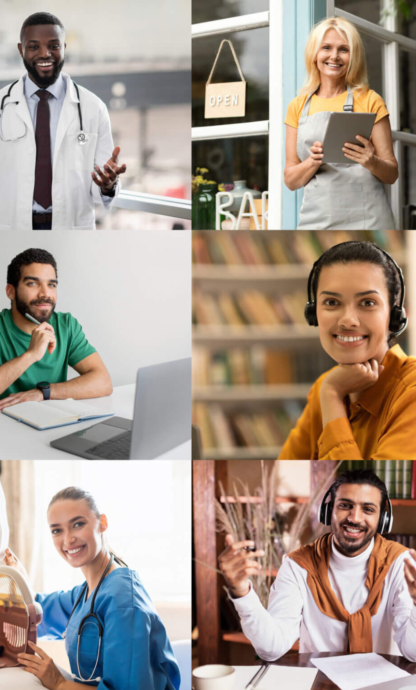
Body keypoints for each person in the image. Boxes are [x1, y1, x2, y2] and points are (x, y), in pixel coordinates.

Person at [0, 12, 125, 230]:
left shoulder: (94, 108)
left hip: (72, 229)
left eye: (54, 46)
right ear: (21, 49)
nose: (45, 54)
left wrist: (108, 185)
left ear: (64, 47)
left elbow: (99, 184)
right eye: (34, 46)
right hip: (13, 228)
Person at [218, 469, 416, 660]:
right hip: (319, 682)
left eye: (368, 509)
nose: (355, 518)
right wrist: (241, 592)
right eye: (345, 505)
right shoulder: (298, 565)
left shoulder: (401, 563)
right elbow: (272, 649)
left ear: (383, 519)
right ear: (328, 511)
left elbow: (413, 652)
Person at [1, 487, 179, 689]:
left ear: (102, 523)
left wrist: (59, 682)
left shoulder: (122, 601)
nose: (68, 540)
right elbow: (39, 612)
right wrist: (17, 576)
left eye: (78, 524)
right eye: (57, 530)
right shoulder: (86, 593)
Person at [279, 241, 416, 460]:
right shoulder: (322, 388)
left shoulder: (410, 392)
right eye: (332, 302)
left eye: (368, 303)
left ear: (394, 315)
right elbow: (282, 480)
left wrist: (332, 396)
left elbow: (368, 491)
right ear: (314, 314)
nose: (348, 320)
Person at [0, 248, 112, 417]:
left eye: (51, 284)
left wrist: (43, 393)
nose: (45, 293)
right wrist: (31, 355)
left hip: (48, 425)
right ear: (10, 291)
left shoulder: (66, 326)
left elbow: (103, 382)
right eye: (32, 283)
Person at [283, 17, 396, 229]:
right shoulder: (297, 106)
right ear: (314, 54)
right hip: (316, 219)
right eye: (326, 47)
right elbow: (290, 180)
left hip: (368, 219)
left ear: (353, 57)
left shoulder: (370, 100)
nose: (334, 56)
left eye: (343, 49)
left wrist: (371, 160)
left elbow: (391, 174)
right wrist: (312, 162)